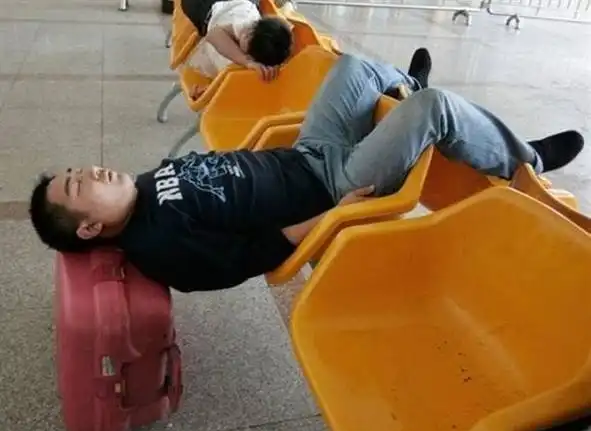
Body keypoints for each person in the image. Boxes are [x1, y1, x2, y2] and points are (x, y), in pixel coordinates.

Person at [29, 48, 584, 292]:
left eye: (81, 168)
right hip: (335, 186)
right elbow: (260, 253)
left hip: (306, 153)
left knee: (353, 68)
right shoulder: (161, 247)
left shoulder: (144, 188)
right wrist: (334, 215)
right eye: (79, 185)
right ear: (89, 227)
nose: (94, 170)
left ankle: (405, 80)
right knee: (432, 109)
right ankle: (526, 160)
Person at [181, 0, 294, 99]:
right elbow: (214, 34)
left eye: (247, 37)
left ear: (251, 55)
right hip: (242, 4)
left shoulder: (231, 60)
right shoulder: (250, 25)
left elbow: (213, 34)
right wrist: (246, 61)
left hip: (209, 8)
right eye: (252, 29)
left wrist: (204, 91)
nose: (246, 31)